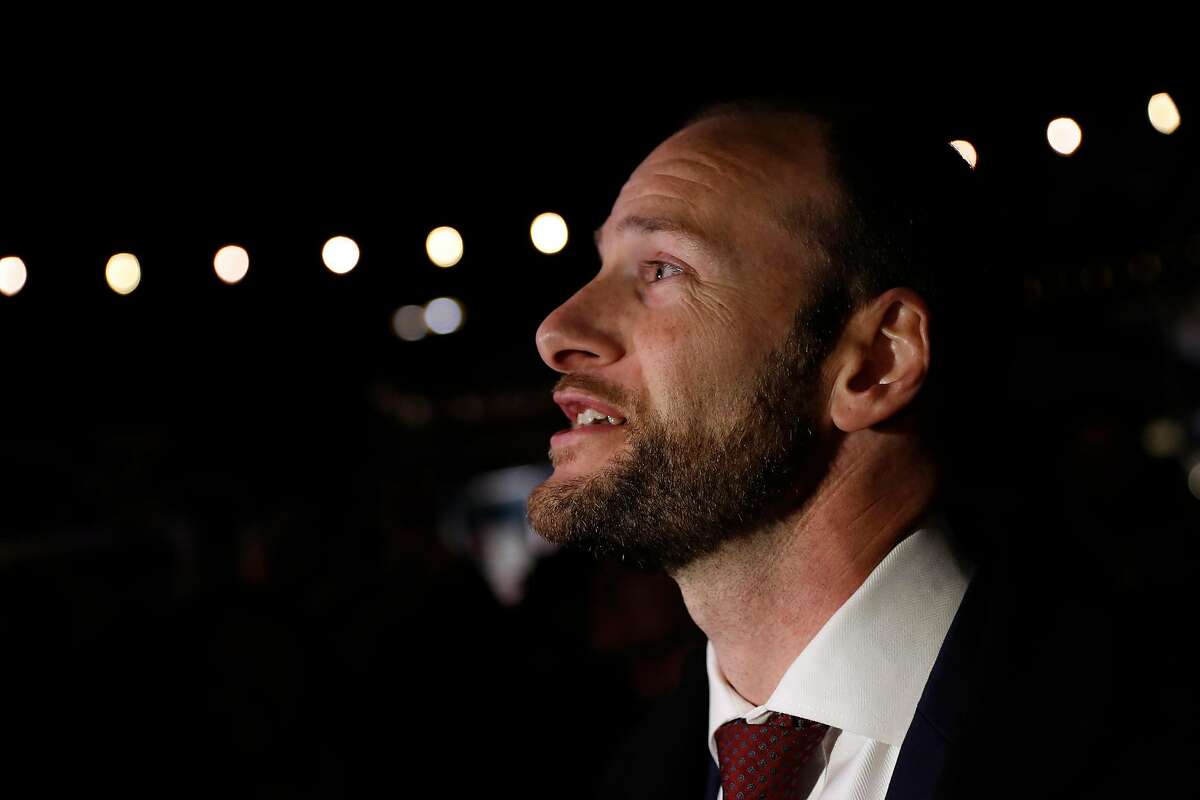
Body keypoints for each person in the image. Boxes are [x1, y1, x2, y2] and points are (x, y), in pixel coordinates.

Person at [525, 97, 1140, 799]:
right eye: (601, 265)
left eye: (663, 268)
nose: (557, 328)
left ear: (877, 360)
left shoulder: (1142, 728)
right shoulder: (629, 773)